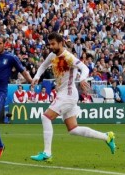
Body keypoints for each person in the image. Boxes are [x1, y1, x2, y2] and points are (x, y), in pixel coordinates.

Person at [30, 32, 116, 162]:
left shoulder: (68, 57)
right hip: (63, 94)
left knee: (46, 117)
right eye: (50, 44)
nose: (51, 46)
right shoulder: (52, 55)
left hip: (68, 94)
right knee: (73, 129)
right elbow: (43, 65)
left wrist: (82, 78)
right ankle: (107, 137)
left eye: (53, 44)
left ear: (61, 43)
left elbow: (85, 68)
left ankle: (47, 153)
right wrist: (36, 77)